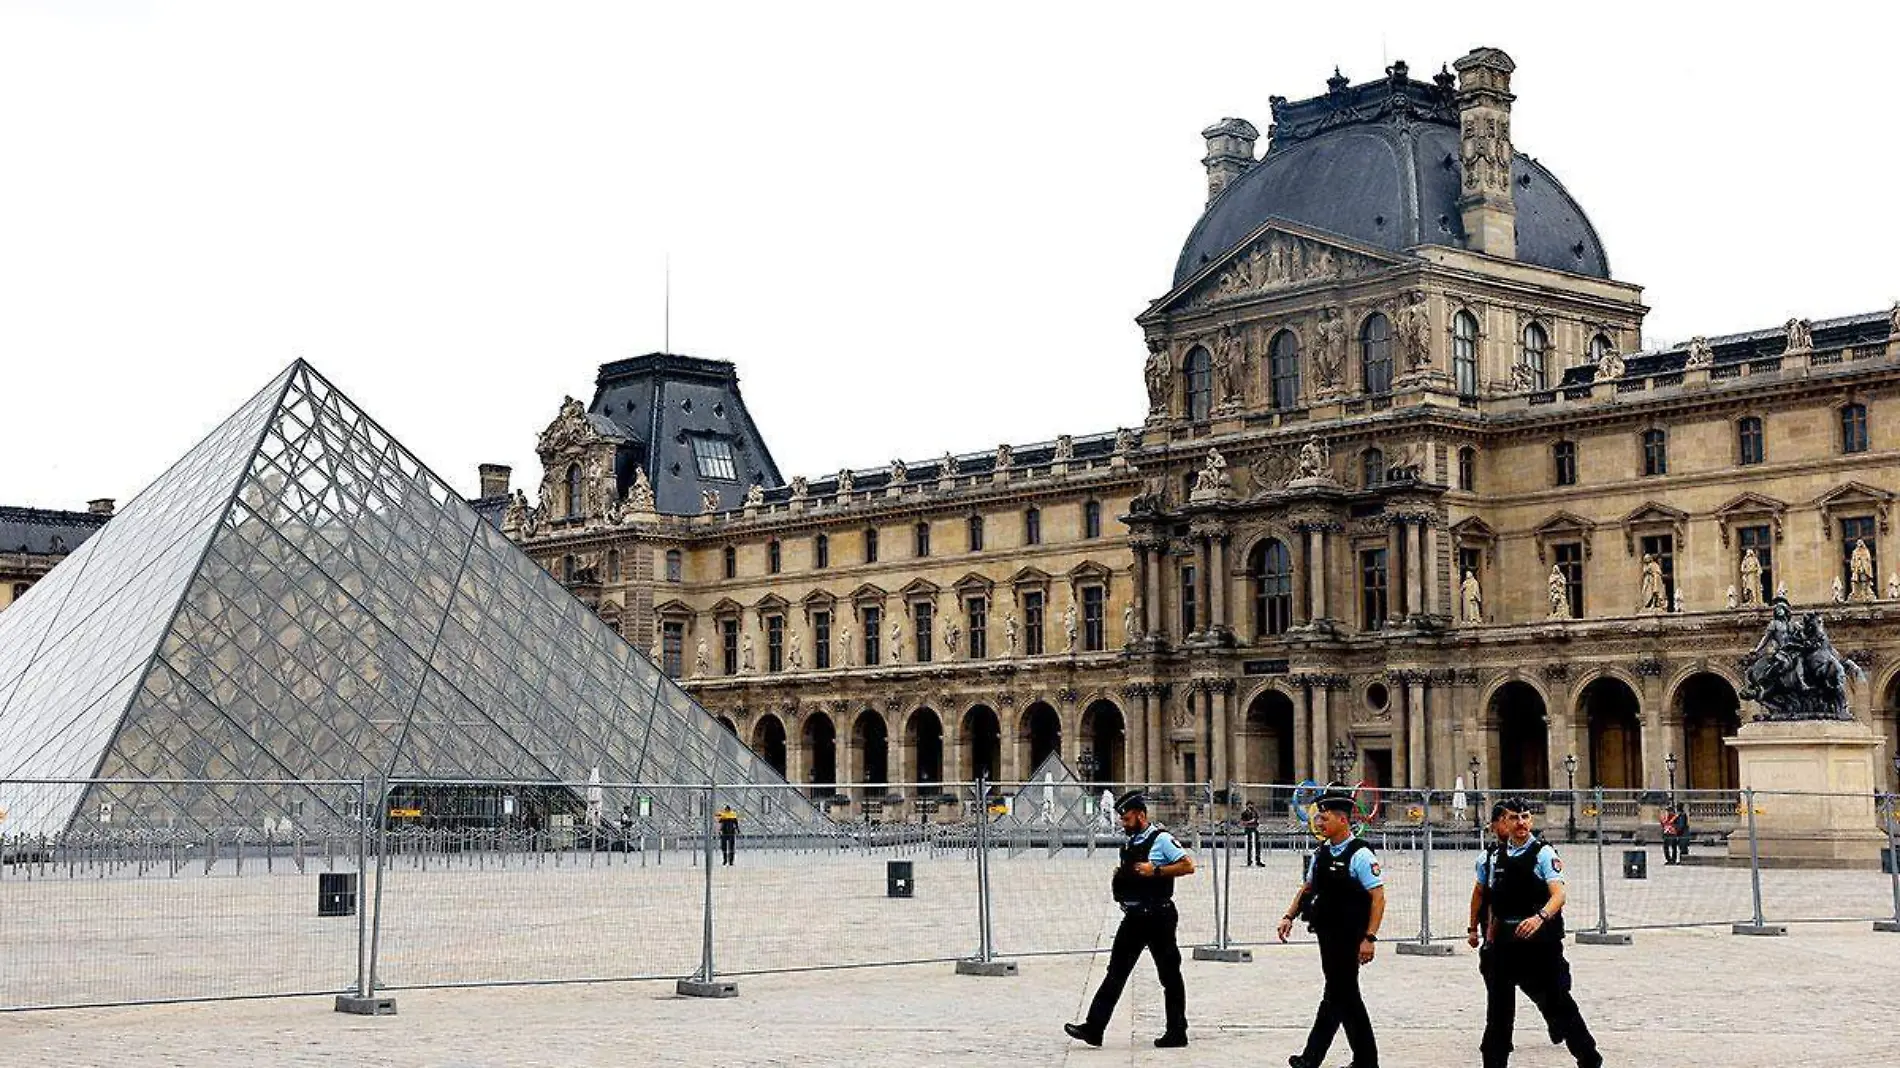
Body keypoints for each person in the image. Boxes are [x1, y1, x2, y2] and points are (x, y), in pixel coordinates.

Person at [1468, 797, 1602, 1068]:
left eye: (1526, 817)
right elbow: (1490, 899)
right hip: (1505, 944)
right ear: (1503, 823)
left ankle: (1588, 1057)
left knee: (1558, 1003)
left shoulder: (1543, 854)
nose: (1521, 823)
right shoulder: (1494, 857)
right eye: (1515, 818)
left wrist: (1540, 917)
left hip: (1540, 944)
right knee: (1499, 1012)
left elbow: (1559, 894)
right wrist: (1486, 939)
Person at [1065, 791, 1195, 1049]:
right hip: (1134, 917)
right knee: (1115, 972)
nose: (1123, 824)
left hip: (1158, 916)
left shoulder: (1162, 839)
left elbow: (1187, 866)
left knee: (1169, 975)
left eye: (1126, 819)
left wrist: (1155, 870)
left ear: (1141, 815)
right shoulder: (1129, 843)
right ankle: (1094, 1028)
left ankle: (1177, 1031)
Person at [1279, 787, 1384, 1068]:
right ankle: (1365, 1060)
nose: (1319, 824)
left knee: (1337, 995)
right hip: (1327, 935)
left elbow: (1378, 898)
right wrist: (1289, 915)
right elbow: (1308, 887)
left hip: (1350, 937)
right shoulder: (1322, 852)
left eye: (1324, 819)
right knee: (1345, 996)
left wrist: (1369, 938)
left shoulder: (1360, 854)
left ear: (1342, 820)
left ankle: (1312, 1058)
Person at [1240, 799, 1262, 867]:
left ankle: (1258, 860)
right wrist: (1249, 822)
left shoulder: (1255, 812)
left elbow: (1256, 820)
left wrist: (1251, 822)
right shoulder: (1244, 813)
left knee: (1257, 846)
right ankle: (1249, 860)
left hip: (1255, 829)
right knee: (1249, 846)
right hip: (1248, 830)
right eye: (1249, 806)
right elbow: (1242, 822)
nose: (1251, 807)